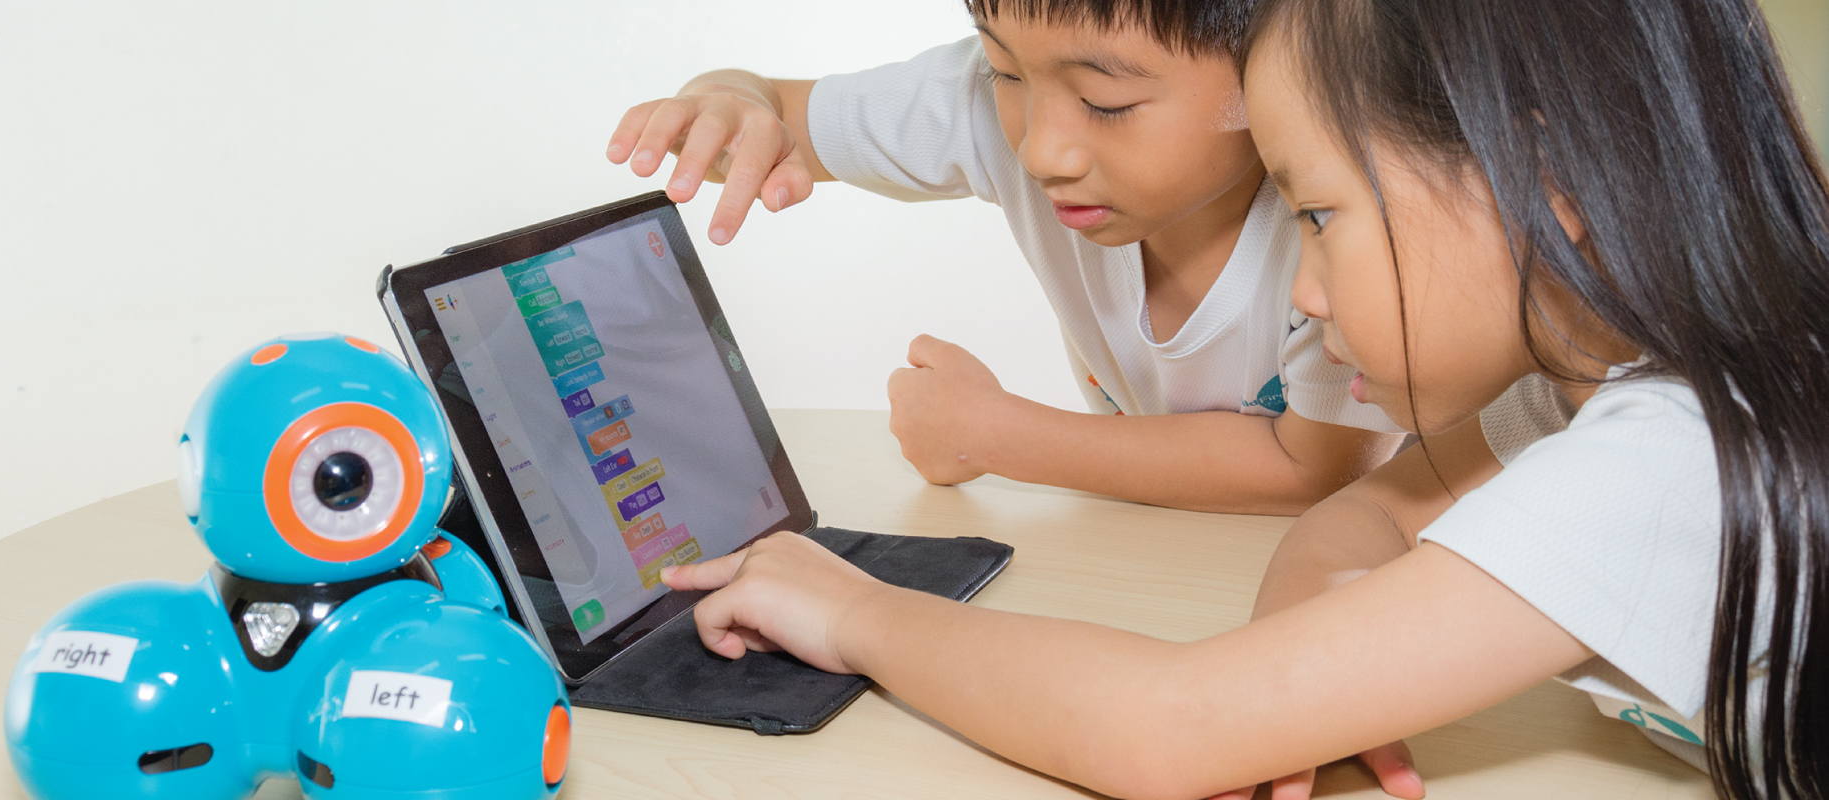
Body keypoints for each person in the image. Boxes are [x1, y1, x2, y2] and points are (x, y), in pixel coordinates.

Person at [657, 0, 1829, 798]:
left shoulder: (1669, 458)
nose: (1304, 293)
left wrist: (854, 610)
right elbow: (1367, 512)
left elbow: (1165, 726)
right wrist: (1310, 677)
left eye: (1317, 213)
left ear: (1542, 181)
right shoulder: (1580, 396)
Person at [607, 0, 1405, 515]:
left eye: (1106, 102)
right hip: (1155, 552)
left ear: (1276, 63)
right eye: (1004, 69)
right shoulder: (995, 103)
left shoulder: (1353, 217)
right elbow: (774, 108)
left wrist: (997, 435)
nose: (1041, 149)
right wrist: (730, 107)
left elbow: (1317, 468)